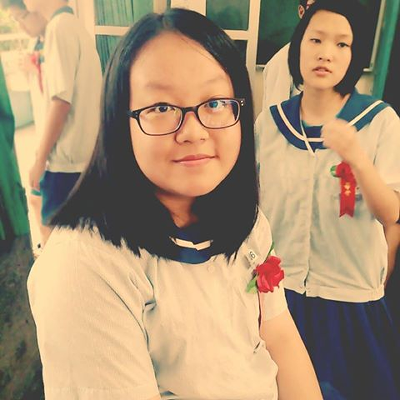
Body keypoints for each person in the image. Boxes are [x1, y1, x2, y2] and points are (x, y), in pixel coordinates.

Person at [27, 8, 323, 400]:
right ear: (119, 121)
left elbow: (280, 336)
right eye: (162, 108)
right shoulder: (85, 266)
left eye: (215, 102)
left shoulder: (247, 222)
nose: (194, 132)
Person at [256, 0, 400, 398]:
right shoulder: (270, 124)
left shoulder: (379, 121)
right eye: (316, 40)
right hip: (281, 296)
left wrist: (356, 157)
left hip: (348, 297)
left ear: (354, 56)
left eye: (341, 44)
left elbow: (391, 213)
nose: (326, 53)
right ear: (298, 47)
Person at [22, 0, 102, 245]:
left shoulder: (59, 28)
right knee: (79, 235)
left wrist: (40, 160)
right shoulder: (71, 26)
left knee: (53, 235)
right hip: (82, 156)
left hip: (66, 161)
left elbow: (60, 103)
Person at [2, 0, 48, 250]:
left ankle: (48, 246)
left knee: (38, 197)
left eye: (22, 17)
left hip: (57, 145)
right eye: (16, 21)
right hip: (43, 134)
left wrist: (36, 68)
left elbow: (60, 98)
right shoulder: (35, 44)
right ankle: (46, 244)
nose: (21, 26)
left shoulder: (57, 38)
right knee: (37, 198)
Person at [262, 0, 315, 110]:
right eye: (315, 6)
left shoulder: (333, 58)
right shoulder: (282, 61)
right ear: (301, 12)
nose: (323, 12)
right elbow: (275, 116)